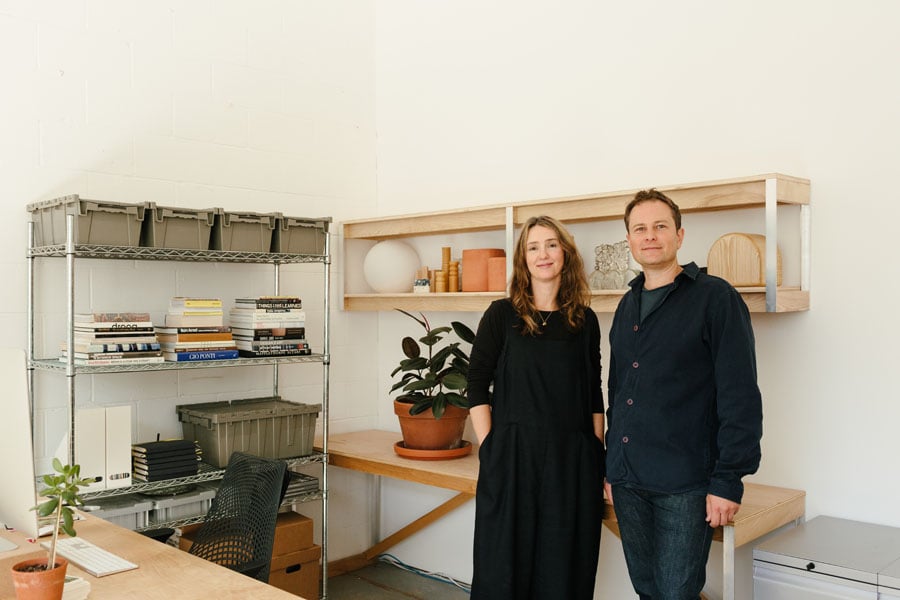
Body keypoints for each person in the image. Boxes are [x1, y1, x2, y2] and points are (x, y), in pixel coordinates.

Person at [604, 189, 763, 599]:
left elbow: (740, 393)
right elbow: (618, 391)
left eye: (660, 226)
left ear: (679, 235)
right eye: (640, 228)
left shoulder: (715, 298)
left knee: (677, 593)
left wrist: (729, 480)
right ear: (629, 241)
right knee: (647, 589)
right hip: (627, 480)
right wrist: (610, 466)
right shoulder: (627, 305)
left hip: (685, 482)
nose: (650, 235)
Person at [467, 215, 605, 600]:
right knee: (504, 568)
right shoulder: (501, 315)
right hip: (513, 459)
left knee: (565, 568)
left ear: (565, 253)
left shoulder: (585, 320)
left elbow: (593, 392)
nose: (542, 254)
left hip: (572, 462)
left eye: (550, 245)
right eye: (533, 247)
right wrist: (491, 445)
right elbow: (476, 383)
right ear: (523, 259)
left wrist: (597, 454)